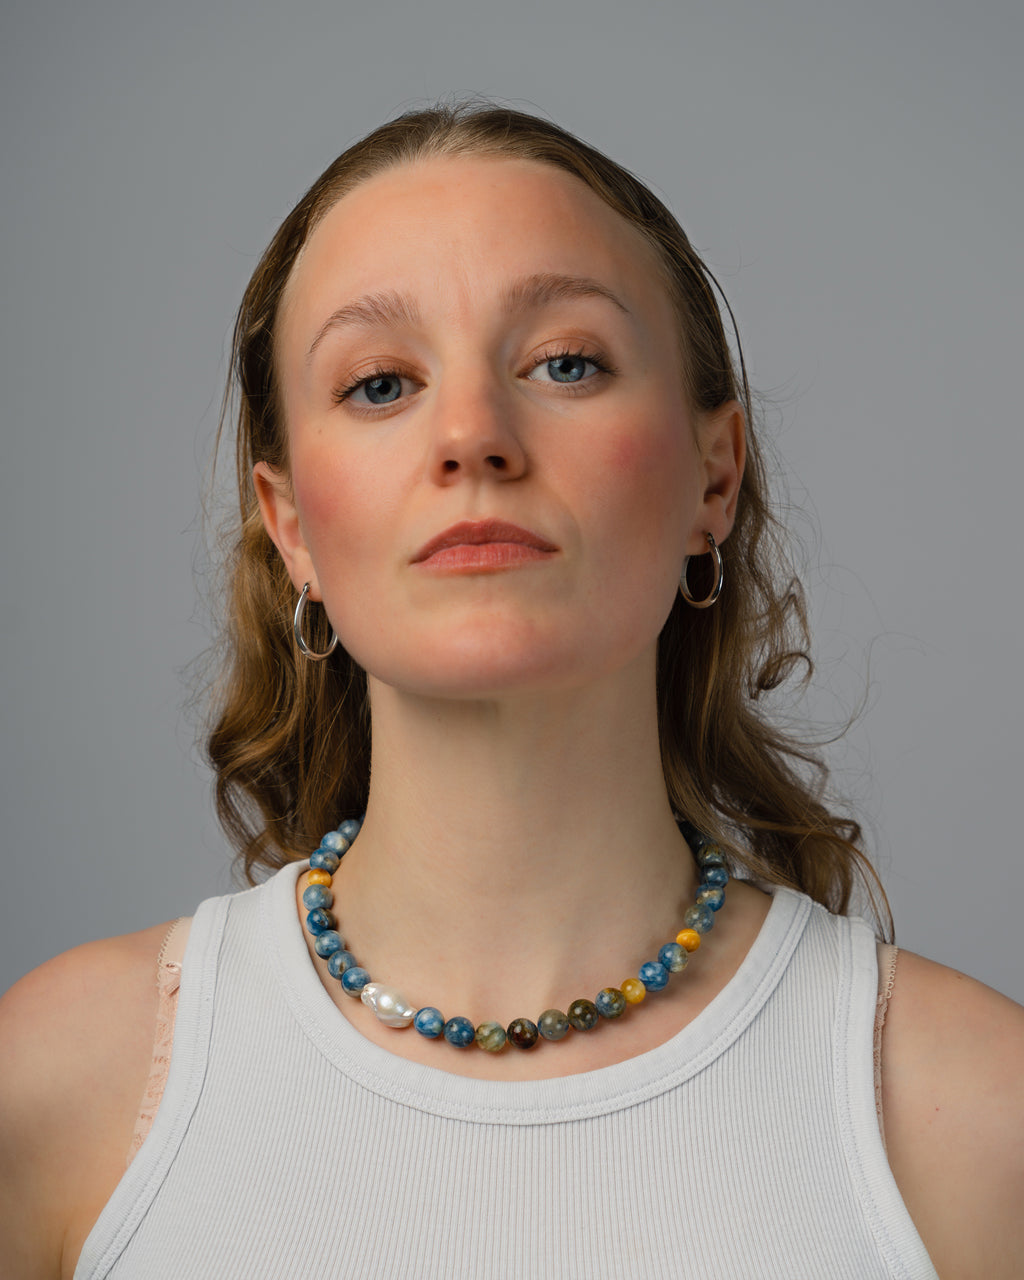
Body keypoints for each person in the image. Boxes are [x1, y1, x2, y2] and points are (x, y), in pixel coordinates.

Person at [1, 102, 1022, 1280]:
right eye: (381, 383)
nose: (473, 435)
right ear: (291, 528)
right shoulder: (68, 1086)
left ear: (714, 476)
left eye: (565, 362)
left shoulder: (969, 1121)